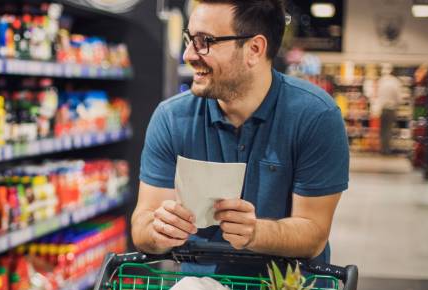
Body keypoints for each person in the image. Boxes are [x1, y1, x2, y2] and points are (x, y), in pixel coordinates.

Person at [131, 0, 349, 273]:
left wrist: (256, 233)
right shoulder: (172, 118)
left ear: (254, 49)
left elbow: (314, 233)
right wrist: (158, 231)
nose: (188, 54)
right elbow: (142, 226)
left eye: (204, 41)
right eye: (189, 39)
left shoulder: (315, 116)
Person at [375, 63, 402, 155]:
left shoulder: (381, 81)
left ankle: (383, 149)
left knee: (383, 130)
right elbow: (399, 98)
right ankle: (387, 150)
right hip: (391, 109)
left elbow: (378, 96)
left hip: (383, 109)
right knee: (389, 130)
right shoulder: (395, 82)